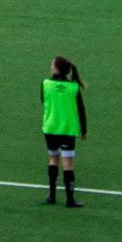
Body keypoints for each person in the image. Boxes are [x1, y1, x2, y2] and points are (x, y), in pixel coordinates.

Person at [42, 55, 87, 208]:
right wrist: (84, 130)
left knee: (53, 160)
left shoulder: (46, 84)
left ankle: (52, 196)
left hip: (51, 128)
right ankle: (70, 200)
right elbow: (81, 109)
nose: (50, 67)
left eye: (52, 65)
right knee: (67, 164)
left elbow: (44, 100)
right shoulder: (73, 88)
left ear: (56, 69)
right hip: (67, 130)